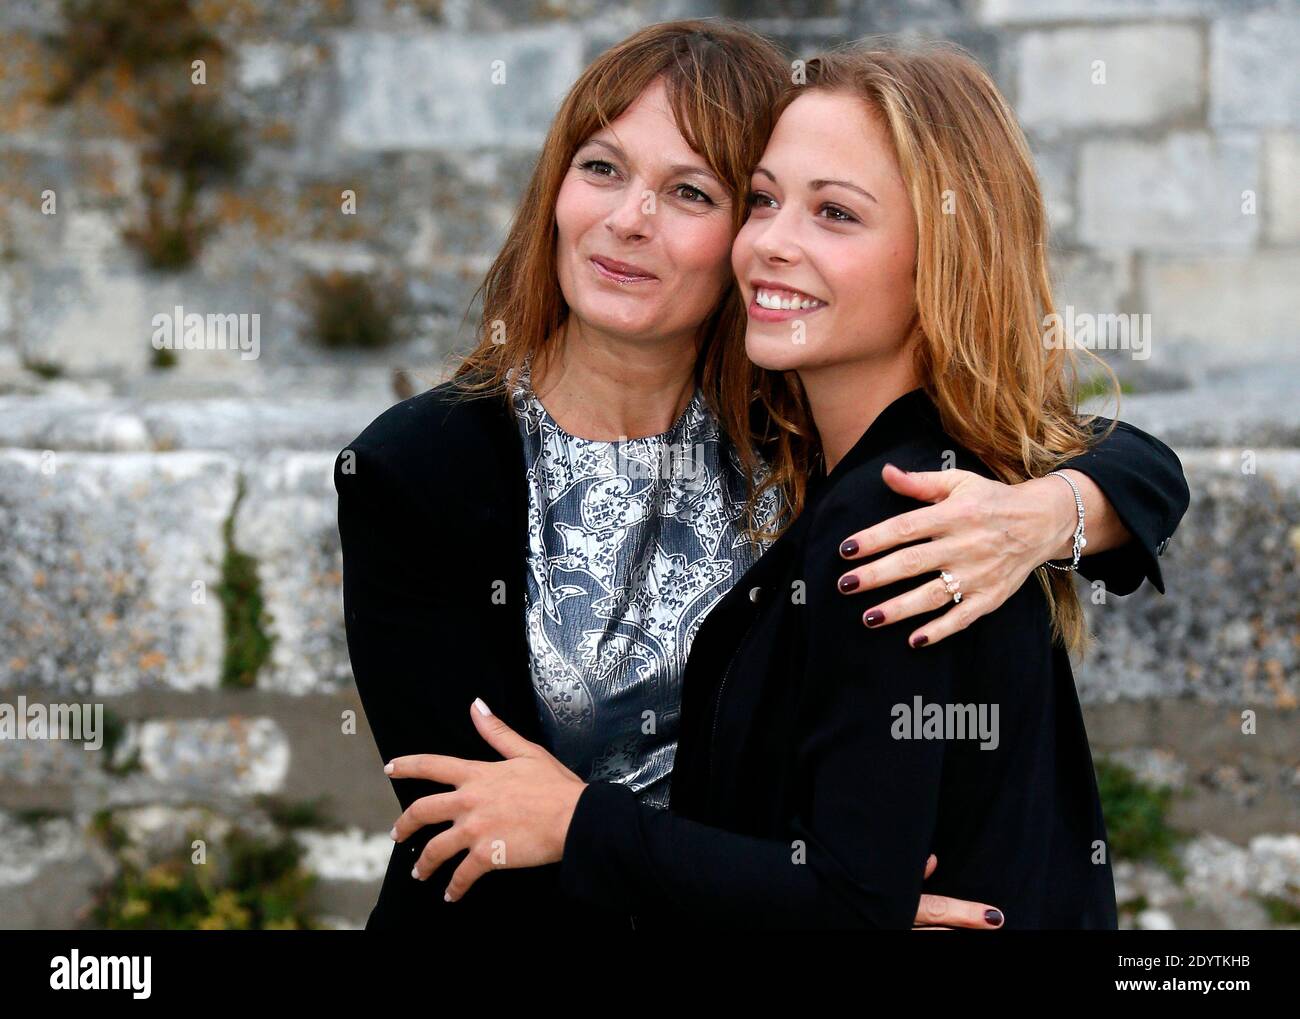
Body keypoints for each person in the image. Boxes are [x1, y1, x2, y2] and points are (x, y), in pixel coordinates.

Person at [337, 23, 1188, 931]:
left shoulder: (795, 422)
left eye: (693, 191)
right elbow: (490, 836)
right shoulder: (418, 469)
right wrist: (823, 911)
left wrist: (1047, 513)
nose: (629, 219)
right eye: (602, 168)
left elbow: (1128, 461)